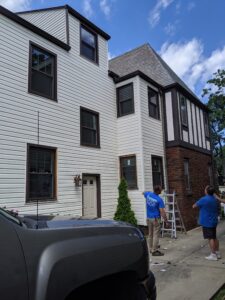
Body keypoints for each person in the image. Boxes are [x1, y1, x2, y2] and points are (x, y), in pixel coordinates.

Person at [193, 185, 221, 261]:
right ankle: (217, 252)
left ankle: (213, 254)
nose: (204, 190)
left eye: (205, 189)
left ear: (207, 191)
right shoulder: (215, 199)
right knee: (214, 237)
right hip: (214, 220)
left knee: (210, 238)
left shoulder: (204, 199)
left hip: (207, 221)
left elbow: (194, 206)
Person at [143, 185, 168, 256]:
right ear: (158, 191)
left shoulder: (148, 194)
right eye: (160, 190)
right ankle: (154, 250)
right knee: (156, 234)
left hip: (148, 218)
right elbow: (162, 212)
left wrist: (146, 192)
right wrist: (166, 221)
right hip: (156, 219)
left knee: (150, 234)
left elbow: (143, 193)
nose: (161, 191)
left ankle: (150, 248)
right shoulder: (159, 200)